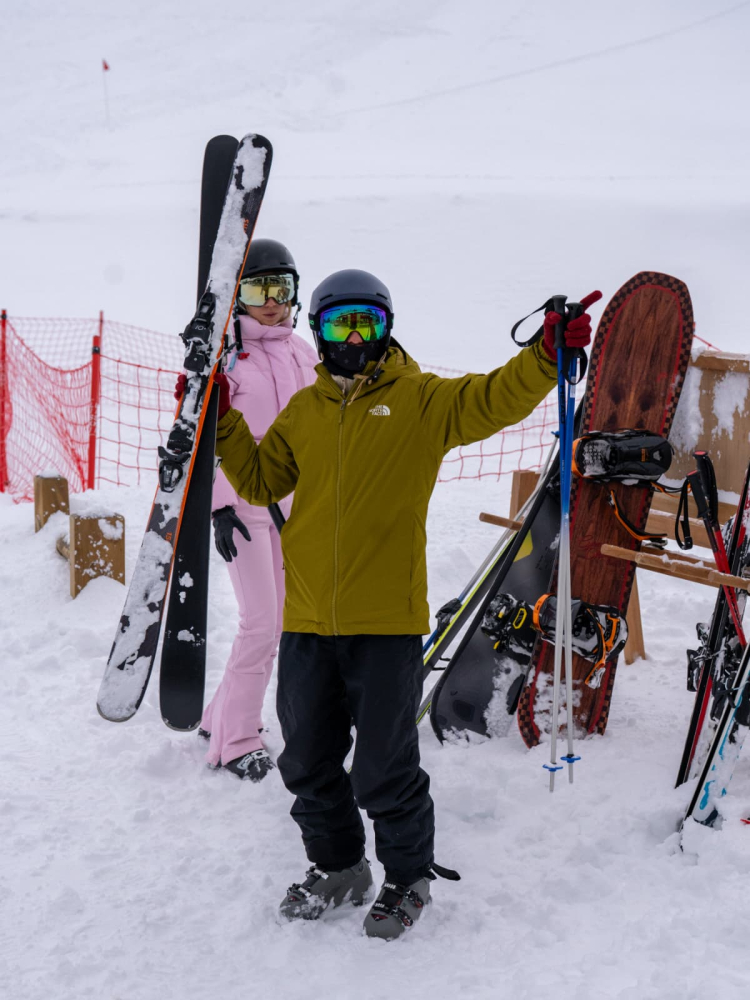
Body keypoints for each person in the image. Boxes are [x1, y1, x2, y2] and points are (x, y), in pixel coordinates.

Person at [210, 268, 596, 936]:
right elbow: (259, 476)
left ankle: (408, 878)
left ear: (387, 328)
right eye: (341, 324)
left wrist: (543, 355)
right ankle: (339, 868)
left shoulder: (418, 401)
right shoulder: (304, 411)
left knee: (384, 767)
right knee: (304, 759)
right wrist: (224, 424)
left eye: (368, 323)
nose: (355, 337)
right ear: (320, 331)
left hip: (384, 624)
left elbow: (492, 399)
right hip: (307, 621)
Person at [194, 239, 318, 780]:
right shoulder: (227, 355)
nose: (271, 301)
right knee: (261, 625)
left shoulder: (301, 351)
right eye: (258, 288)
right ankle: (237, 740)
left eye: (281, 288)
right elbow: (205, 437)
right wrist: (218, 507)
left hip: (292, 510)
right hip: (243, 510)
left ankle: (218, 716)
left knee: (282, 624)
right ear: (238, 295)